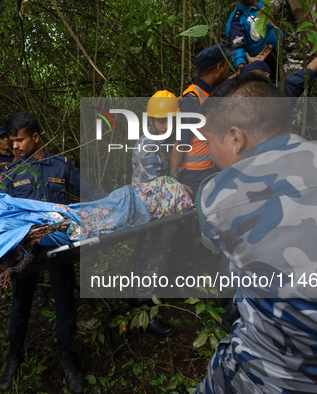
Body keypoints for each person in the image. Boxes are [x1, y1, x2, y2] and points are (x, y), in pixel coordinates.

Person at [195, 72, 317, 393]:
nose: (209, 154)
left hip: (273, 376)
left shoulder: (216, 194)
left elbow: (217, 247)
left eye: (210, 141)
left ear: (236, 138)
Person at [0, 111, 107, 394]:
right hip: (27, 253)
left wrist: (115, 202)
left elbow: (89, 192)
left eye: (19, 140)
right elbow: (3, 214)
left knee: (65, 303)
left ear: (35, 137)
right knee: (20, 305)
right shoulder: (11, 173)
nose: (15, 147)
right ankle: (14, 357)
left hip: (60, 249)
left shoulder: (61, 166)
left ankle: (67, 357)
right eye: (11, 142)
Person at [128, 91, 179, 337]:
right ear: (150, 121)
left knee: (149, 257)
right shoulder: (149, 147)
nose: (166, 125)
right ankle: (145, 313)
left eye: (170, 120)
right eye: (161, 121)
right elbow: (155, 191)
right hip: (148, 213)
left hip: (154, 211)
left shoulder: (160, 142)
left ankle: (140, 302)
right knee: (150, 259)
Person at [169, 44, 232, 193]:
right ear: (219, 68)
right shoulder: (192, 99)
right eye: (226, 65)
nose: (228, 70)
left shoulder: (207, 93)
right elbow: (180, 143)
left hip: (206, 171)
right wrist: (171, 184)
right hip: (192, 175)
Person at [239, 29, 317, 97]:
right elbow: (310, 68)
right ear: (268, 77)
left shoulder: (231, 100)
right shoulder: (280, 92)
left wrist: (246, 68)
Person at [226, 0, 282, 78]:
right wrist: (241, 65)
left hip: (278, 52)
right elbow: (237, 46)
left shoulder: (262, 3)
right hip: (262, 61)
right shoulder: (237, 19)